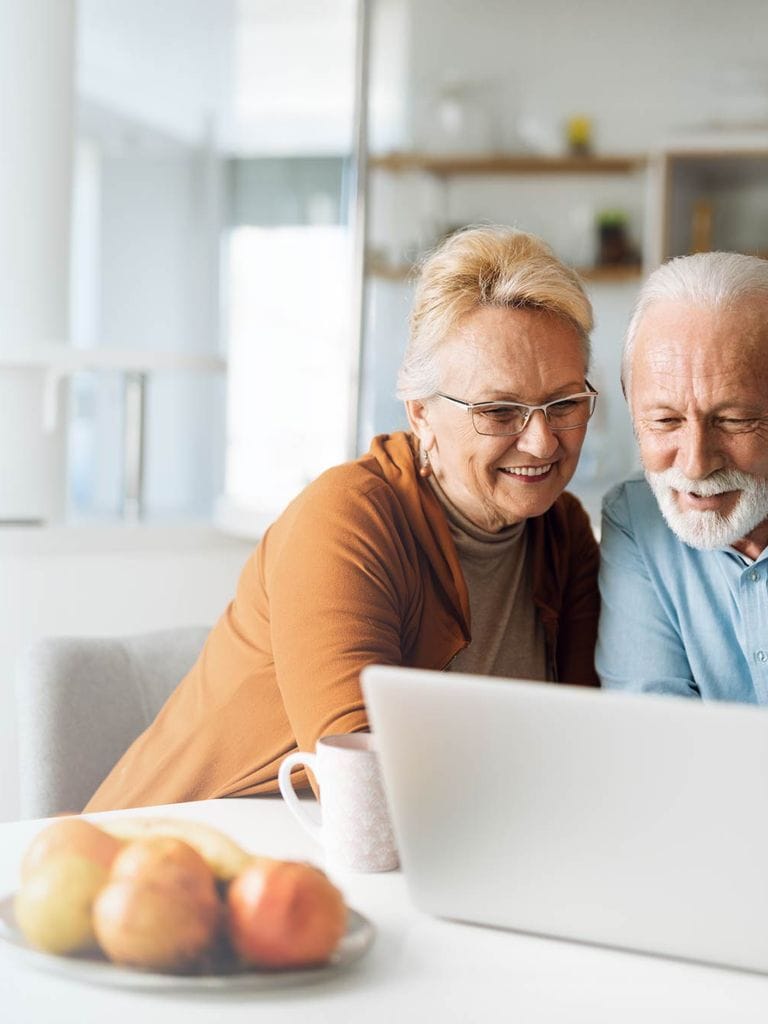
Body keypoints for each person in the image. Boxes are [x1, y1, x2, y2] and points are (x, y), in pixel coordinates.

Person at [85, 225, 600, 811]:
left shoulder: (565, 532)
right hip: (177, 858)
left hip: (391, 864)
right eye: (499, 410)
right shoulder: (349, 518)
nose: (540, 443)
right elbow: (363, 794)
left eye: (564, 404)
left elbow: (588, 746)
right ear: (421, 414)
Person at [597, 251, 768, 702]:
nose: (694, 465)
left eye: (733, 420)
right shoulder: (635, 518)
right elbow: (652, 735)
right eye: (665, 421)